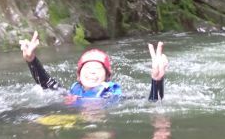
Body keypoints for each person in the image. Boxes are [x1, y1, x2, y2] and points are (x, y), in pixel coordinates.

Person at [20, 31, 168, 103]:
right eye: (87, 67)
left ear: (107, 77)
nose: (91, 71)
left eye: (98, 69)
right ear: (78, 76)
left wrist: (157, 81)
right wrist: (31, 60)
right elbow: (46, 83)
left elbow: (154, 102)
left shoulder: (113, 97)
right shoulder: (72, 93)